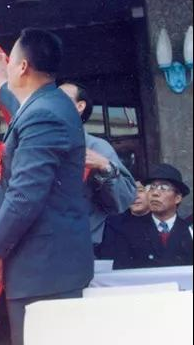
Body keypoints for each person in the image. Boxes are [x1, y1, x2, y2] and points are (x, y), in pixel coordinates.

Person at [0, 30, 94, 345]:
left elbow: (25, 195)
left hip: (43, 270)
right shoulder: (51, 105)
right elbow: (26, 110)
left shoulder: (43, 115)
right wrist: (2, 84)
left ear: (23, 67)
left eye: (11, 61)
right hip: (51, 266)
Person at [57, 82, 137, 250]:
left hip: (82, 245)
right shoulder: (38, 144)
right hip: (41, 245)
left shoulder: (97, 147)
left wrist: (105, 166)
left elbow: (123, 201)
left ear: (80, 106)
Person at [102, 164, 192, 268]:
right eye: (151, 187)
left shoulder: (189, 230)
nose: (155, 193)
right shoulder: (129, 230)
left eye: (163, 188)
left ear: (177, 198)